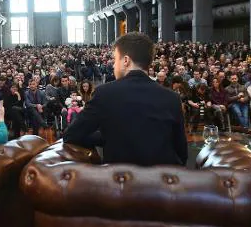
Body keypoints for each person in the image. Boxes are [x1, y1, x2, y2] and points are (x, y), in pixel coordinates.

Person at [63, 33, 187, 166]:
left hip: (120, 182)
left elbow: (72, 134)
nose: (113, 65)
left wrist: (109, 137)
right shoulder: (172, 98)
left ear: (126, 60)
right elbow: (182, 153)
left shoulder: (104, 93)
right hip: (161, 182)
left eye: (115, 59)